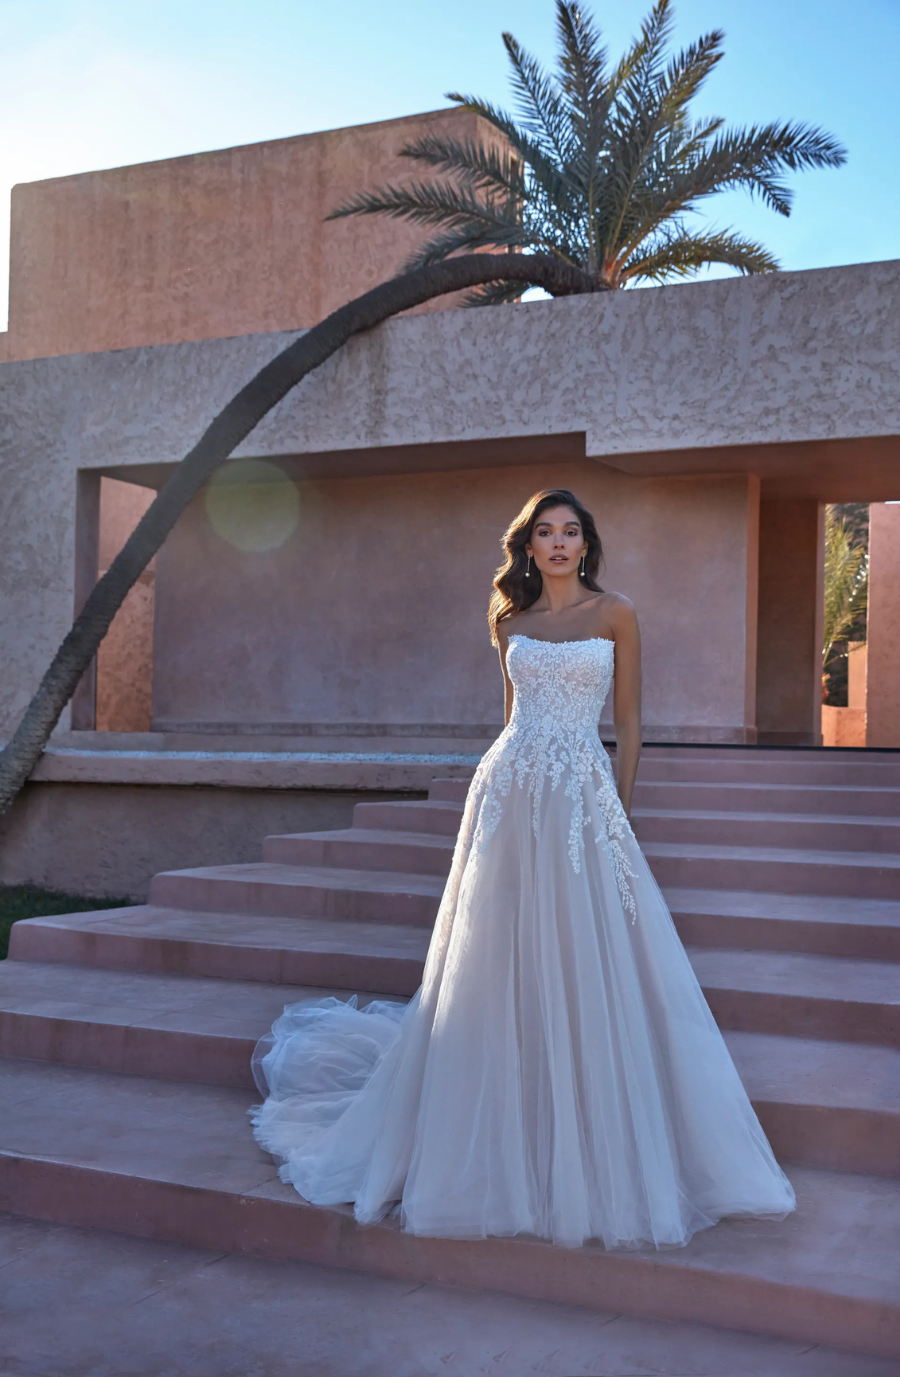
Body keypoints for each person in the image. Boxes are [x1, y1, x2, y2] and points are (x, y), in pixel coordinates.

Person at [251, 487, 796, 1250]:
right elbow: (510, 718)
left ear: (586, 543)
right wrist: (505, 792)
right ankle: (490, 1139)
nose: (560, 543)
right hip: (509, 794)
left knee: (586, 953)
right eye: (546, 532)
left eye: (572, 532)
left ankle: (582, 1134)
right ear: (529, 546)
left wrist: (620, 811)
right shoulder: (508, 619)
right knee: (498, 956)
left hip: (582, 794)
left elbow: (631, 724)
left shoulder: (617, 614)